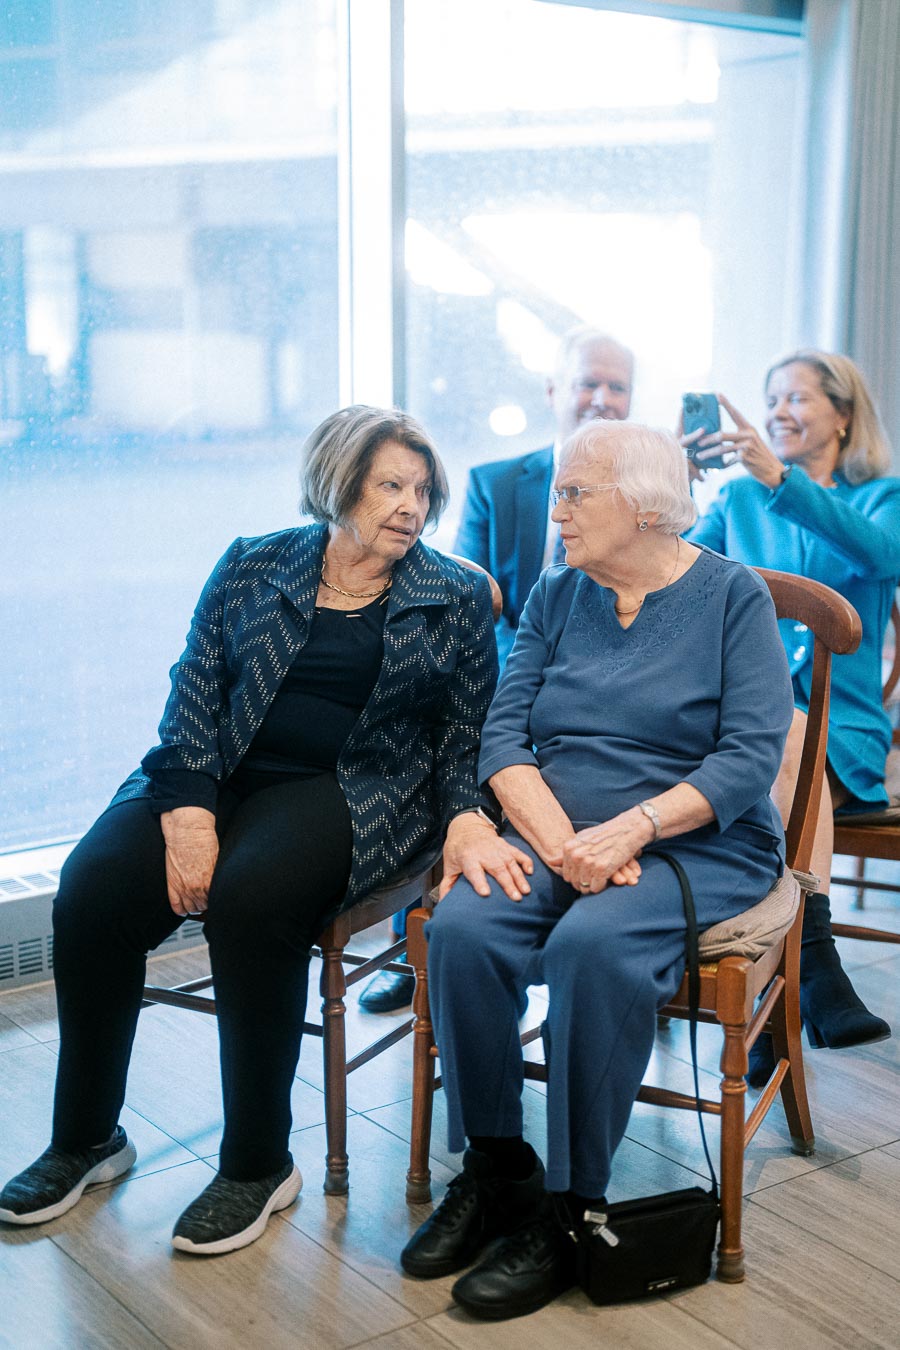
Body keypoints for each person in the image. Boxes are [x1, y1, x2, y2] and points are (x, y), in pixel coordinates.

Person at [0, 405, 528, 1256]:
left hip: (356, 786)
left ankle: (255, 1162)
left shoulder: (457, 593)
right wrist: (187, 811)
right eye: (391, 484)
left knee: (252, 902)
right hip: (216, 769)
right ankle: (86, 1138)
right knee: (92, 890)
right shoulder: (252, 563)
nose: (411, 505)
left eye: (423, 489)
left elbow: (468, 733)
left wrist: (467, 814)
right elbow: (192, 693)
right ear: (338, 481)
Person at [401, 421, 794, 1320]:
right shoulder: (556, 592)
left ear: (648, 504)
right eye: (561, 492)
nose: (558, 507)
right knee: (463, 928)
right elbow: (503, 736)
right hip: (559, 833)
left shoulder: (733, 598)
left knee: (592, 949)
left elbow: (745, 760)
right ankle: (500, 1170)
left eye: (578, 492)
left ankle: (572, 1211)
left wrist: (626, 834)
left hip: (699, 840)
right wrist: (560, 845)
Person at [359, 325, 635, 1015]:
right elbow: (471, 600)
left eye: (617, 387)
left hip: (607, 686)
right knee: (449, 728)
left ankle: (591, 939)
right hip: (505, 669)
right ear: (554, 391)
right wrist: (525, 677)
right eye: (587, 383)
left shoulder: (647, 493)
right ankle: (421, 947)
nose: (601, 398)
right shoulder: (497, 483)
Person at [683, 351, 896, 1082]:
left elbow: (881, 555)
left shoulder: (881, 496)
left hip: (845, 729)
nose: (777, 412)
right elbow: (672, 570)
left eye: (798, 399)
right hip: (745, 723)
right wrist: (672, 484)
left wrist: (782, 481)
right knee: (772, 734)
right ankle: (807, 968)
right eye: (771, 398)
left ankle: (785, 970)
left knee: (790, 732)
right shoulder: (736, 503)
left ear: (843, 414)